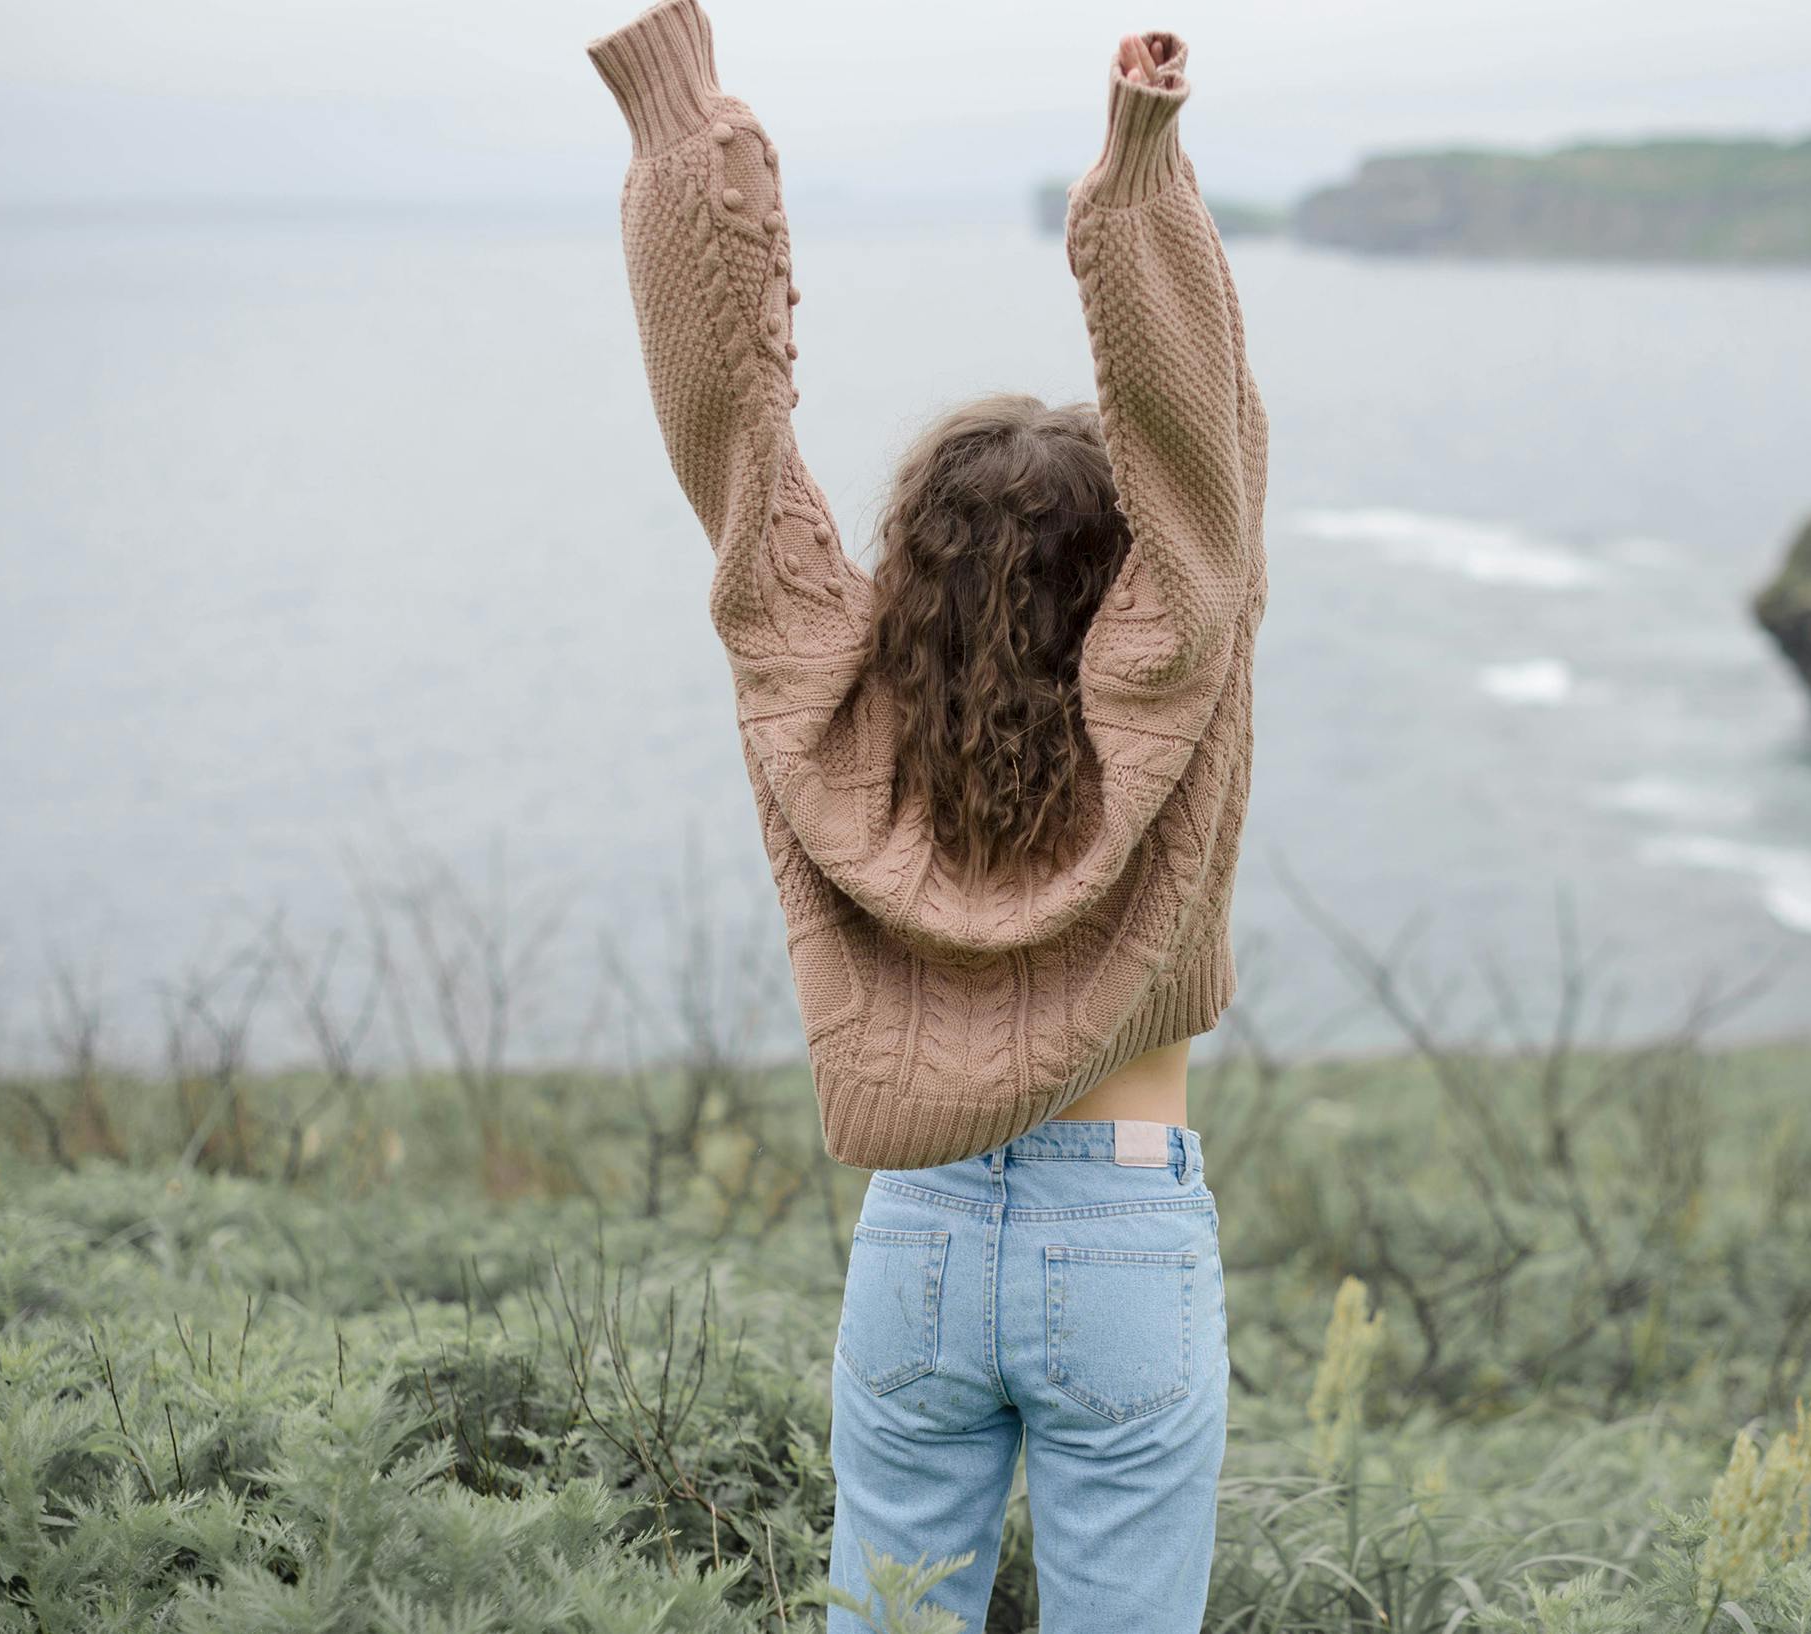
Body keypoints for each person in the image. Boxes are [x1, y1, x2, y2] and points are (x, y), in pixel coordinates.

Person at [588, 3, 1266, 1624]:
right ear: (1129, 575)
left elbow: (737, 454)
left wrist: (680, 133)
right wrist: (1139, 181)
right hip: (1123, 1227)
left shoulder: (843, 708)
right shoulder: (1177, 681)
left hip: (923, 1236)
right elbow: (1203, 466)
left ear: (918, 566)